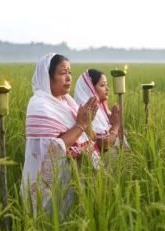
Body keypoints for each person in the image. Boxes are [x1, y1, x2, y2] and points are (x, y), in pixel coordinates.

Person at [21, 54, 99, 216]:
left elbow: (87, 138)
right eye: (63, 73)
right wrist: (81, 125)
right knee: (49, 221)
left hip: (71, 177)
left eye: (70, 72)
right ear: (47, 77)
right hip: (47, 182)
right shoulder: (40, 105)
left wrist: (87, 122)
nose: (69, 78)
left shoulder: (68, 102)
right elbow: (53, 149)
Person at [74, 69, 129, 151]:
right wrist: (116, 126)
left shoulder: (101, 110)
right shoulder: (88, 111)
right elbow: (104, 143)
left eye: (106, 85)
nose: (107, 89)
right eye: (102, 85)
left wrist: (115, 125)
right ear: (90, 89)